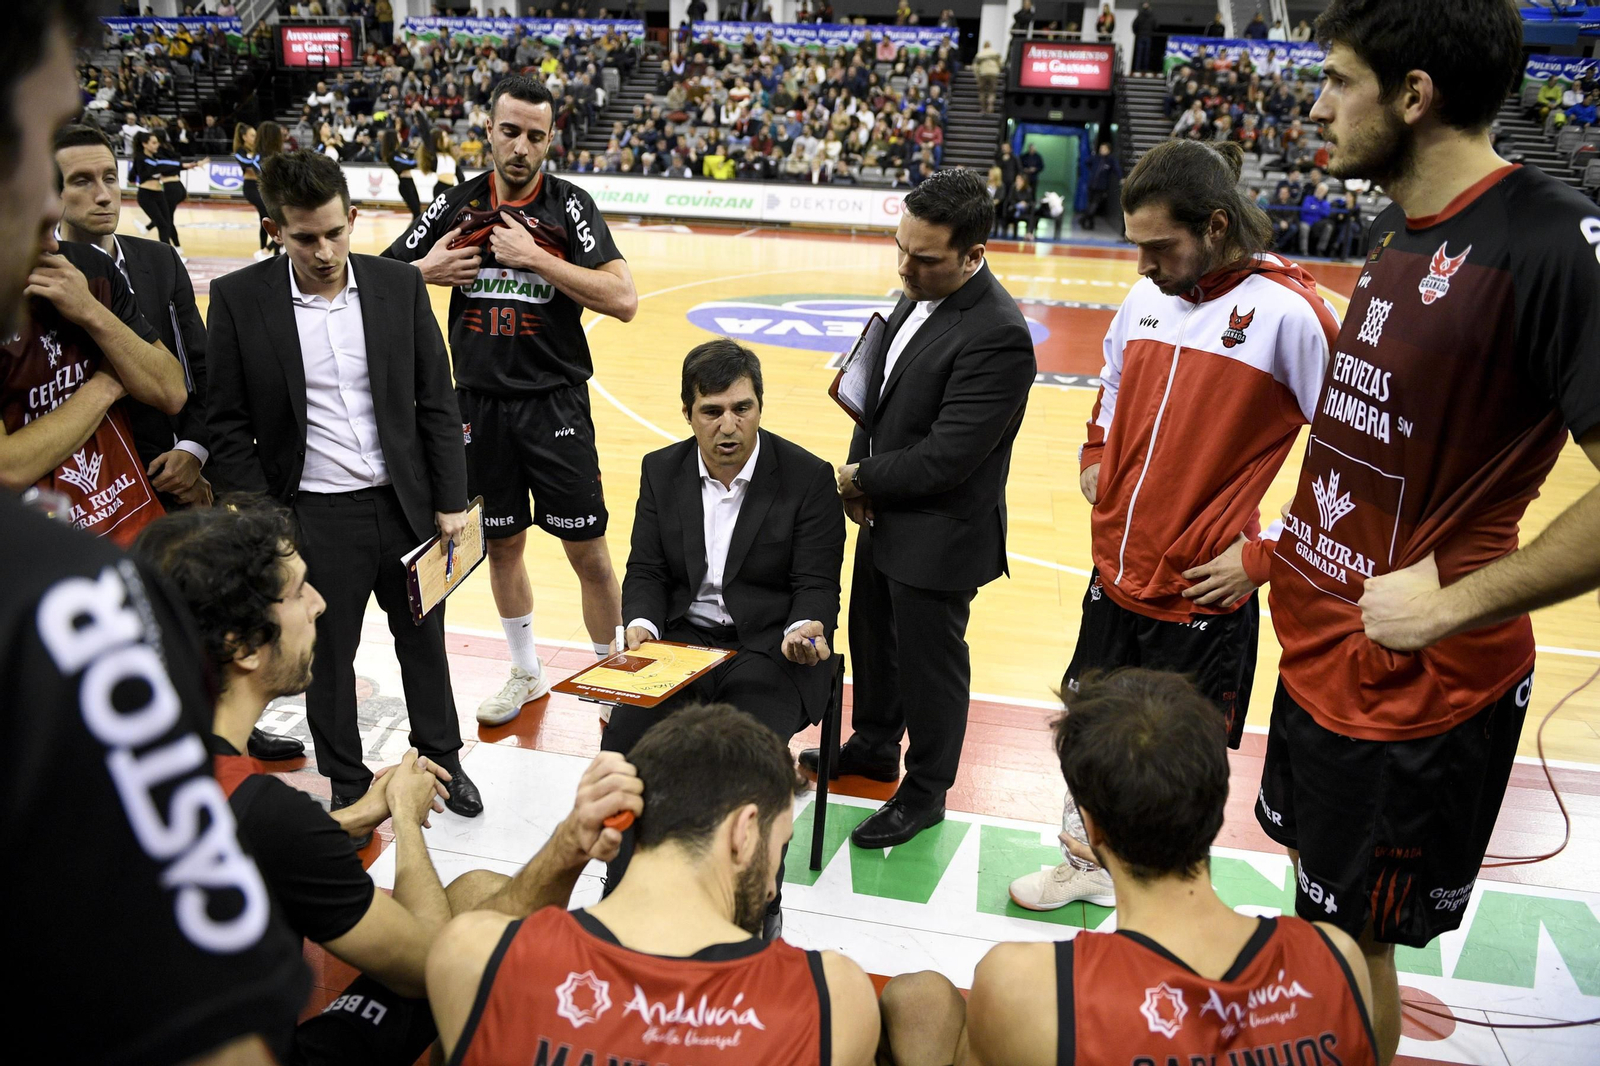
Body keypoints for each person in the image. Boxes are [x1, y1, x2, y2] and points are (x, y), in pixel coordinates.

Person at [1264, 2, 1600, 1060]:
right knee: (1318, 918)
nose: (1316, 104)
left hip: (1416, 690)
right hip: (1323, 658)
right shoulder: (1401, 233)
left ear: (1414, 96)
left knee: (1347, 940)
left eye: (1338, 80)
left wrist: (1453, 604)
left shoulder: (1546, 243)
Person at [1, 3, 310, 1062]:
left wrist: (92, 332)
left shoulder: (104, 279)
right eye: (41, 157)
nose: (62, 198)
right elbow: (222, 1011)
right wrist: (100, 381)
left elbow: (175, 385)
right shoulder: (62, 610)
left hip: (136, 521)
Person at [134, 500, 647, 1066]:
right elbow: (427, 962)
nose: (319, 603)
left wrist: (352, 817)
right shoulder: (271, 816)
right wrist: (405, 811)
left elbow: (241, 844)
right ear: (242, 646)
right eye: (299, 591)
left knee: (476, 889)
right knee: (473, 947)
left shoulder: (122, 757)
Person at [1008, 139, 1339, 911]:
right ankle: (1086, 862)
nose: (1142, 265)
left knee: (1177, 767)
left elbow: (1353, 458)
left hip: (1199, 596)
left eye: (1159, 247)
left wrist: (1265, 556)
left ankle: (1176, 902)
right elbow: (1113, 376)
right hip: (1116, 571)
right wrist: (1097, 448)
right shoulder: (1145, 298)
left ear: (1217, 225)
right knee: (1090, 735)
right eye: (1136, 246)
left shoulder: (1293, 315)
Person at [878, 671, 1379, 1066]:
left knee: (918, 998)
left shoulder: (1021, 982)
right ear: (1217, 802)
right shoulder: (1338, 959)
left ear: (1091, 829)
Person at [206, 150, 480, 832]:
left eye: (333, 232)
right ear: (277, 230)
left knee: (426, 642)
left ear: (353, 219)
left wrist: (450, 500)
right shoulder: (241, 301)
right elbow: (228, 424)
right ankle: (347, 784)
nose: (323, 251)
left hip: (406, 507)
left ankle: (442, 760)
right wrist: (268, 524)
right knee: (326, 660)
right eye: (305, 238)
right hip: (313, 518)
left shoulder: (398, 286)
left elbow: (436, 402)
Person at [384, 73, 637, 724]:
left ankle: (613, 674)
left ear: (550, 140)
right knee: (501, 545)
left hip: (555, 403)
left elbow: (624, 299)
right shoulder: (455, 205)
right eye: (509, 131)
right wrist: (427, 273)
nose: (520, 146)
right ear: (488, 130)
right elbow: (377, 284)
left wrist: (537, 258)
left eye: (535, 135)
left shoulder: (569, 206)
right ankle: (526, 670)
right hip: (477, 407)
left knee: (589, 552)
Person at [426, 704, 882, 1066]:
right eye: (779, 848)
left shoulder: (472, 954)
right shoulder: (830, 998)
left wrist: (567, 844)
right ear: (744, 832)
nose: (769, 889)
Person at [801, 169, 1036, 848]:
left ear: (974, 254)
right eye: (901, 247)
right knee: (873, 638)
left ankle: (927, 790)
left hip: (942, 531)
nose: (906, 265)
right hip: (886, 510)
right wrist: (862, 477)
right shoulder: (914, 293)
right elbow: (871, 394)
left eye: (925, 257)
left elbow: (948, 458)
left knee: (931, 664)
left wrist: (853, 477)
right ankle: (873, 745)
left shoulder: (998, 334)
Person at [608, 339, 845, 937]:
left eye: (742, 408)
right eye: (712, 412)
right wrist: (638, 627)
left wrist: (803, 629)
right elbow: (647, 573)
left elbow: (815, 586)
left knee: (752, 765)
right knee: (626, 752)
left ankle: (757, 910)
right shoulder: (661, 471)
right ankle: (621, 895)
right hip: (680, 645)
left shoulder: (808, 478)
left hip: (770, 650)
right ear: (688, 415)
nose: (729, 425)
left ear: (760, 405)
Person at [1076, 141, 1123, 231]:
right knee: (1090, 204)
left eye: (1104, 149)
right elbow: (1087, 162)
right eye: (1101, 148)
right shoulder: (1096, 158)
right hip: (1092, 185)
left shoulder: (1111, 160)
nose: (1102, 150)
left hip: (1101, 187)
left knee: (1094, 205)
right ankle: (1090, 223)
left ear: (1109, 150)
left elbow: (1117, 170)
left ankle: (1083, 219)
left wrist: (1121, 178)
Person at [380, 128, 422, 221]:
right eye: (398, 136)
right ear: (393, 138)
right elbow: (405, 165)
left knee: (418, 212)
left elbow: (409, 159)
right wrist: (419, 162)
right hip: (405, 184)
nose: (400, 138)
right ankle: (411, 234)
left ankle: (414, 233)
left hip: (410, 182)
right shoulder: (392, 156)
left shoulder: (399, 152)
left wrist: (413, 149)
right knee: (416, 213)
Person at [973, 39, 1001, 115]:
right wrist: (998, 69)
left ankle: (983, 109)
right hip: (993, 73)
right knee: (992, 91)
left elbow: (975, 66)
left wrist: (977, 75)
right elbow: (1001, 63)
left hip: (983, 73)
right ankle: (990, 106)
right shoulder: (995, 53)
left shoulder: (980, 54)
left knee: (982, 91)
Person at [1131, 2, 1156, 72]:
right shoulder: (1151, 16)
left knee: (1139, 54)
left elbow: (1134, 25)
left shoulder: (1140, 16)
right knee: (1146, 54)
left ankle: (1137, 69)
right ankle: (1144, 69)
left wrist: (1137, 33)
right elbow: (1155, 25)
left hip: (1140, 36)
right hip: (1147, 36)